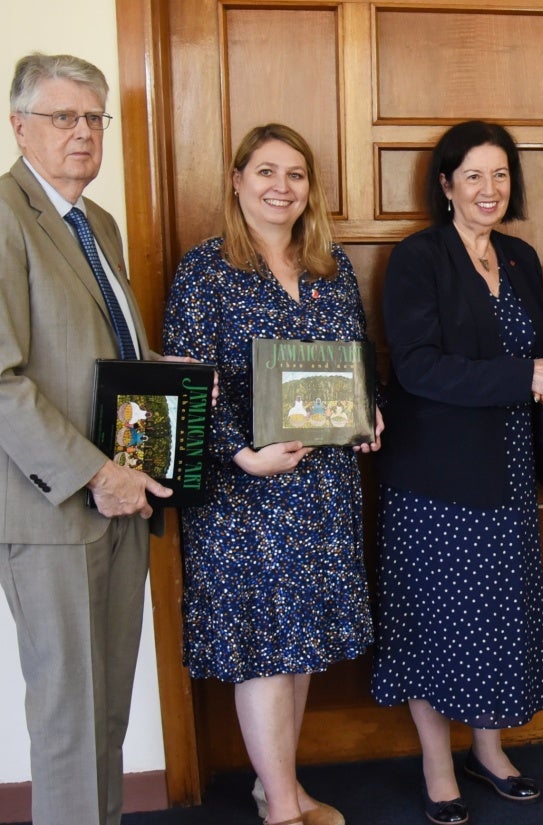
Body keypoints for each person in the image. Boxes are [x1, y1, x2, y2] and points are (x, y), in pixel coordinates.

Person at [163, 123, 381, 825]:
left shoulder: (331, 267)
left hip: (323, 486)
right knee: (265, 644)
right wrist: (239, 451)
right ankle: (284, 806)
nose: (281, 187)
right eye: (265, 172)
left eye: (295, 174)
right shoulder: (205, 270)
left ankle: (274, 784)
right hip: (245, 493)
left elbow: (356, 355)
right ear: (237, 180)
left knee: (304, 640)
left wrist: (368, 408)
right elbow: (187, 387)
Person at [372, 120, 543, 825]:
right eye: (475, 175)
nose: (490, 189)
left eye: (501, 175)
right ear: (446, 184)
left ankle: (489, 750)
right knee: (434, 622)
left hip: (511, 470)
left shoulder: (519, 258)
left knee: (495, 618)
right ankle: (436, 764)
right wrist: (524, 375)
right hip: (434, 477)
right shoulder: (417, 258)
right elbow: (419, 366)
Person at [0, 52, 175, 825]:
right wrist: (98, 472)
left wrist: (156, 375)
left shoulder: (96, 222)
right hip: (54, 509)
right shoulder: (5, 217)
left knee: (107, 710)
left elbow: (99, 353)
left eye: (94, 119)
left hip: (121, 498)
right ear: (19, 126)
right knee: (71, 718)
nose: (82, 134)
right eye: (63, 117)